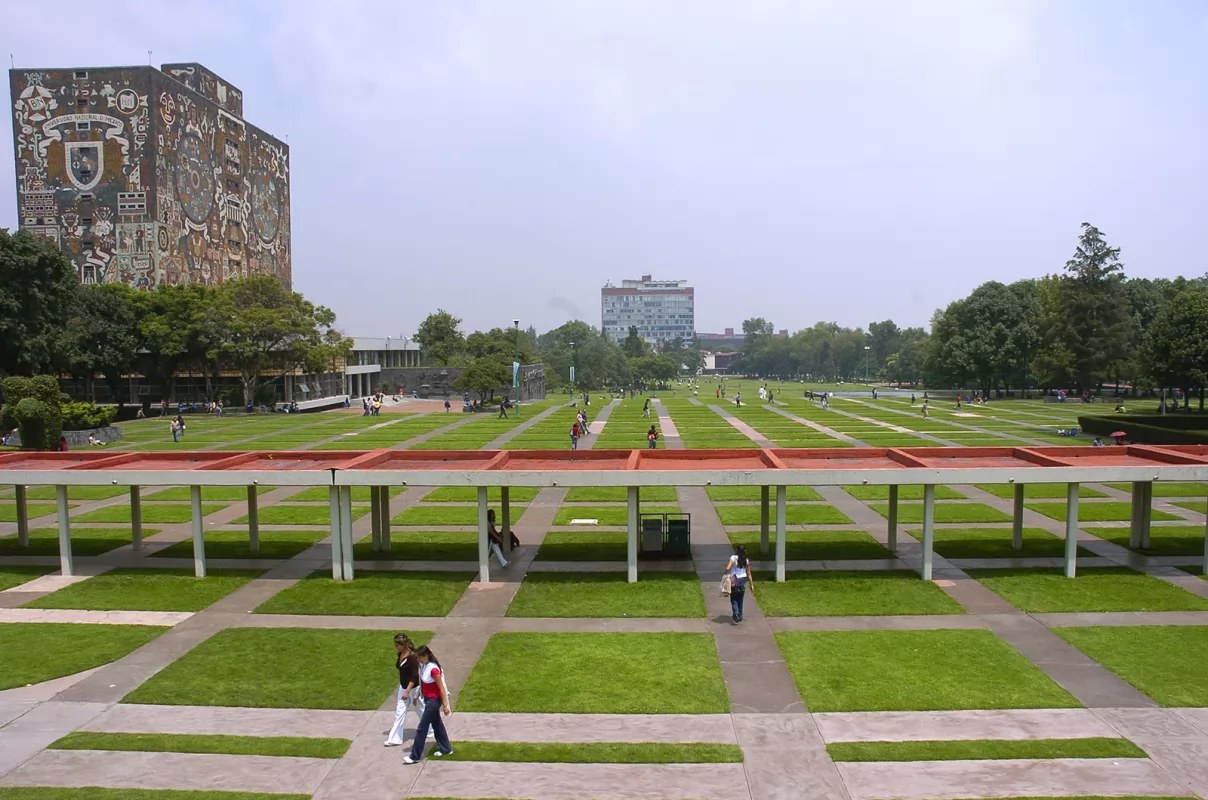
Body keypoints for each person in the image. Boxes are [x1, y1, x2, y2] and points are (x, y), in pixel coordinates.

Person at [403, 646, 453, 764]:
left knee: (422, 728)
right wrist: (417, 696)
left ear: (425, 656)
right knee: (437, 724)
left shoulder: (433, 669)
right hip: (428, 699)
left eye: (419, 657)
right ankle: (446, 748)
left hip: (433, 701)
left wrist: (445, 706)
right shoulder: (424, 666)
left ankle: (415, 756)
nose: (418, 660)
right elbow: (423, 684)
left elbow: (441, 688)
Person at [385, 634, 433, 747]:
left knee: (421, 709)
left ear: (404, 644)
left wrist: (407, 690)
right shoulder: (400, 654)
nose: (396, 647)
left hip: (414, 688)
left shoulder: (413, 657)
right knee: (400, 711)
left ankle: (431, 729)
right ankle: (395, 738)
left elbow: (414, 676)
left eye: (398, 645)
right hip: (403, 687)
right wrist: (404, 689)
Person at [723, 545, 753, 624]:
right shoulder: (746, 560)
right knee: (740, 598)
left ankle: (736, 613)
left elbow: (728, 568)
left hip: (734, 580)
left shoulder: (733, 558)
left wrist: (725, 573)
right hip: (743, 580)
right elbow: (749, 573)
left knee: (734, 598)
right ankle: (740, 615)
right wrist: (751, 585)